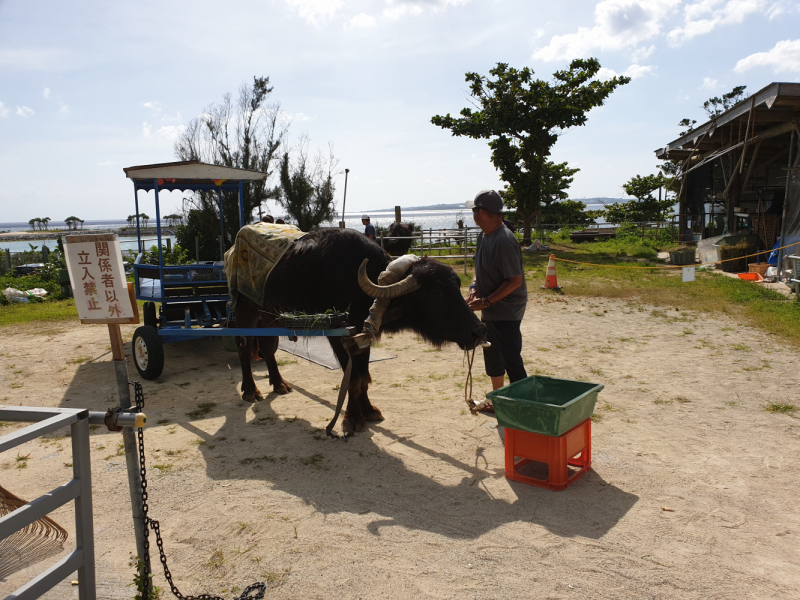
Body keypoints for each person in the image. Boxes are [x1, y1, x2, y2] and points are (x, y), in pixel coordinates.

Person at [466, 189, 527, 395]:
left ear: (482, 212)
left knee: (510, 358)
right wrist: (475, 286)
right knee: (492, 354)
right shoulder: (485, 235)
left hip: (507, 310)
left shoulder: (504, 240)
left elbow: (514, 281)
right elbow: (479, 265)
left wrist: (486, 302)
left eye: (474, 210)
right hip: (491, 306)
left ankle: (522, 403)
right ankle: (497, 398)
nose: (472, 215)